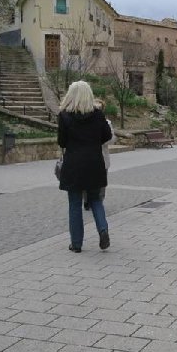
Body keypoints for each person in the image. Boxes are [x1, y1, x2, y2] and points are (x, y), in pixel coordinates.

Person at [57, 81, 112, 253]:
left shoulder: (65, 116)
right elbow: (107, 135)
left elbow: (62, 141)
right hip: (94, 162)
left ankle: (76, 244)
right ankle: (103, 230)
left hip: (73, 163)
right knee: (95, 199)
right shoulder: (98, 115)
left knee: (74, 204)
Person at [84, 98, 116, 210]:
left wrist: (99, 140)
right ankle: (87, 200)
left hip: (102, 156)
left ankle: (99, 201)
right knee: (87, 180)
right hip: (88, 156)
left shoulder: (107, 123)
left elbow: (111, 139)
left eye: (99, 108)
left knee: (101, 182)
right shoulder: (84, 121)